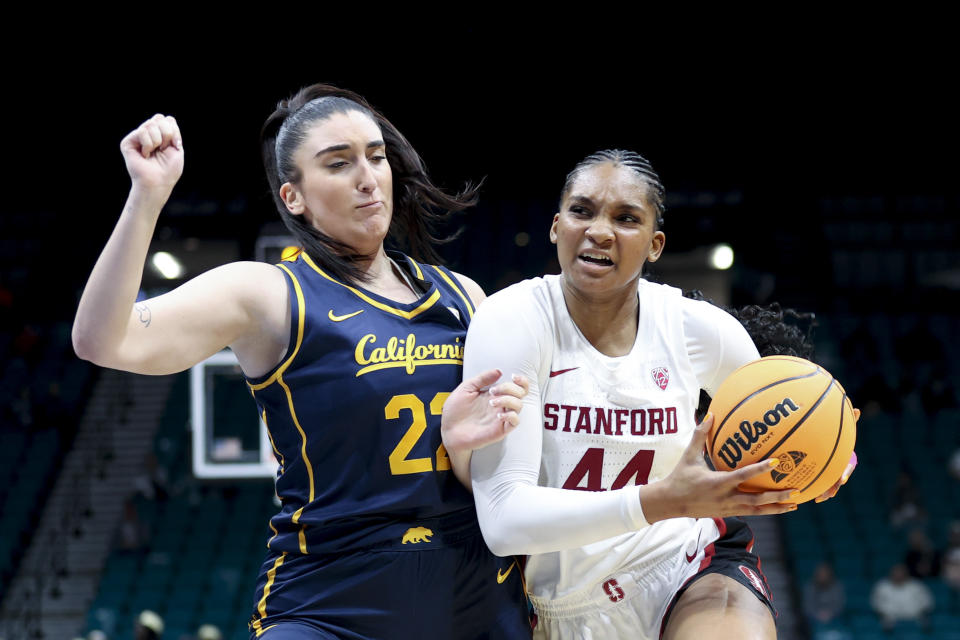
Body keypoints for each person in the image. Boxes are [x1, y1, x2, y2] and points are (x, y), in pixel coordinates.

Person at [72, 84, 532, 639]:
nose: (367, 176)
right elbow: (102, 339)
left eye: (376, 156)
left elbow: (507, 473)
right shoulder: (269, 293)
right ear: (295, 198)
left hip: (476, 595)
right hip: (331, 600)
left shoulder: (464, 296)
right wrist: (147, 195)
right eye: (338, 164)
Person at [443, 149, 857, 640]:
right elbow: (505, 522)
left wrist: (829, 460)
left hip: (685, 565)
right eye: (582, 210)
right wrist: (660, 499)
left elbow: (783, 421)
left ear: (655, 245)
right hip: (553, 602)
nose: (599, 229)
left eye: (625, 218)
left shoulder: (697, 329)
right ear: (556, 227)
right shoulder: (513, 321)